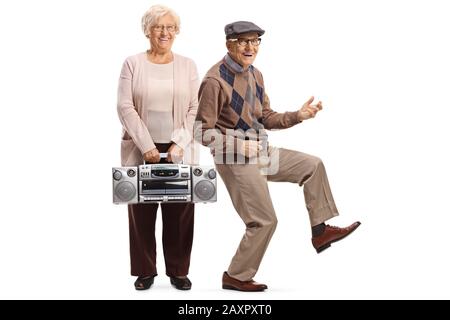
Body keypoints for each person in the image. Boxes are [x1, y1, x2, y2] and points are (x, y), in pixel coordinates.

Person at [195, 21, 361, 291]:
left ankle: (320, 232)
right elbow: (200, 131)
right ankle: (235, 276)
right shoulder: (214, 81)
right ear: (229, 45)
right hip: (234, 159)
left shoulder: (256, 75)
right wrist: (237, 145)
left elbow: (266, 117)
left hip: (260, 151)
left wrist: (299, 115)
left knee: (313, 165)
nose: (250, 47)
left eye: (255, 41)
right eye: (243, 42)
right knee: (264, 221)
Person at [117, 5, 199, 290]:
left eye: (170, 27)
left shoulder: (187, 65)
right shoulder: (132, 63)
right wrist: (147, 146)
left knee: (180, 212)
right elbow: (124, 106)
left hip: (179, 148)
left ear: (176, 31)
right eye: (158, 27)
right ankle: (145, 270)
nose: (165, 33)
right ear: (147, 30)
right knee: (141, 211)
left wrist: (179, 142)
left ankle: (178, 270)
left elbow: (194, 108)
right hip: (141, 148)